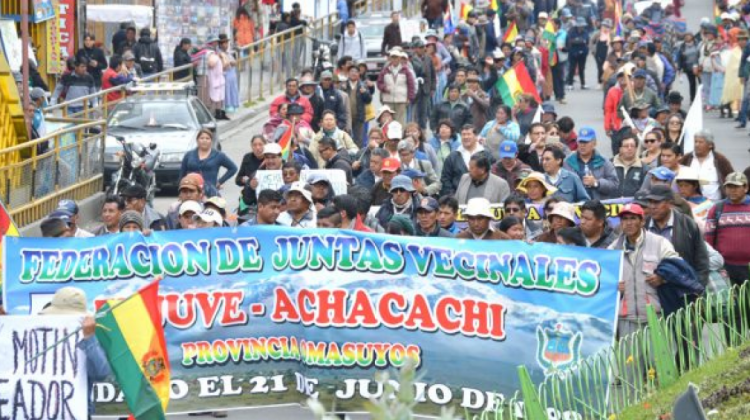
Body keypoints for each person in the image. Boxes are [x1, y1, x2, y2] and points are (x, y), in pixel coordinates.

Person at [610, 203, 680, 337]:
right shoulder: (613, 249)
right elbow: (604, 280)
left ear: (642, 221)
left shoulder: (659, 242)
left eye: (633, 218)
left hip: (655, 315)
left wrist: (662, 277)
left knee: (657, 358)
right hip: (626, 318)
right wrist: (614, 285)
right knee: (630, 358)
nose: (628, 223)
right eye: (625, 219)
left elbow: (676, 266)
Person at [40, 287, 111, 416]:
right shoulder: (39, 334)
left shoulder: (88, 336)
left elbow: (101, 373)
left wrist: (89, 338)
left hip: (76, 412)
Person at [646, 184, 709, 286]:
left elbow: (701, 260)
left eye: (657, 202)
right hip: (649, 289)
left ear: (670, 203)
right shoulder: (643, 225)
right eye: (650, 202)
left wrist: (698, 287)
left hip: (681, 287)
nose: (652, 207)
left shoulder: (687, 224)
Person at [705, 172, 750, 286]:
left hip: (748, 267)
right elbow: (708, 239)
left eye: (736, 187)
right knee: (730, 302)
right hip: (725, 267)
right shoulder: (717, 209)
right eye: (729, 187)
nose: (732, 190)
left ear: (746, 187)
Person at [563, 126, 619, 200]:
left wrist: (596, 183)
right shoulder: (568, 161)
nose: (582, 145)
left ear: (594, 143)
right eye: (580, 142)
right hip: (574, 205)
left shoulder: (604, 161)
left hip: (597, 206)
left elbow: (614, 184)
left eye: (586, 142)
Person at [180, 129, 238, 198]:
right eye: (202, 138)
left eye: (207, 138)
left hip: (210, 192)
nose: (204, 140)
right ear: (197, 140)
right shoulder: (189, 155)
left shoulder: (218, 155)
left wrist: (220, 182)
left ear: (211, 141)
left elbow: (233, 168)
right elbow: (182, 174)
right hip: (191, 192)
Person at [680, 130, 734, 201]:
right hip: (691, 202)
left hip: (715, 201)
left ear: (710, 145)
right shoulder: (687, 158)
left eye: (700, 142)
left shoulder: (720, 159)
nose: (697, 145)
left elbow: (731, 177)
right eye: (695, 142)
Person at [440, 125, 489, 197]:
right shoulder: (452, 157)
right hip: (458, 200)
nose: (466, 137)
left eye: (469, 134)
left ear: (476, 136)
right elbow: (445, 179)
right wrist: (453, 197)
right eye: (463, 135)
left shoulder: (486, 155)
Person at [377, 49, 416, 126]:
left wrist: (410, 98)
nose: (394, 59)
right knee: (387, 121)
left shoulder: (406, 70)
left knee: (400, 122)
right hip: (388, 100)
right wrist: (384, 88)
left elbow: (411, 85)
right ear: (390, 58)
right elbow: (379, 83)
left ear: (400, 59)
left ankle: (400, 137)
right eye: (393, 57)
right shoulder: (385, 70)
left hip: (401, 100)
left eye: (396, 57)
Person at [340, 66, 373, 146]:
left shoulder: (363, 85)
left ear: (359, 74)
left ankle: (358, 157)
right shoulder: (343, 84)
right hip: (346, 117)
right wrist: (343, 89)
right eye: (351, 71)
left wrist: (365, 93)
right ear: (348, 73)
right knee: (345, 138)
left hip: (359, 117)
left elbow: (368, 100)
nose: (353, 73)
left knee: (359, 140)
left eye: (356, 72)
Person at [235, 135, 267, 216]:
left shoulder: (269, 159)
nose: (257, 148)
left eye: (260, 144)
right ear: (251, 146)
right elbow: (238, 180)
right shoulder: (247, 158)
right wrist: (246, 180)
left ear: (265, 145)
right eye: (255, 145)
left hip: (265, 200)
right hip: (249, 199)